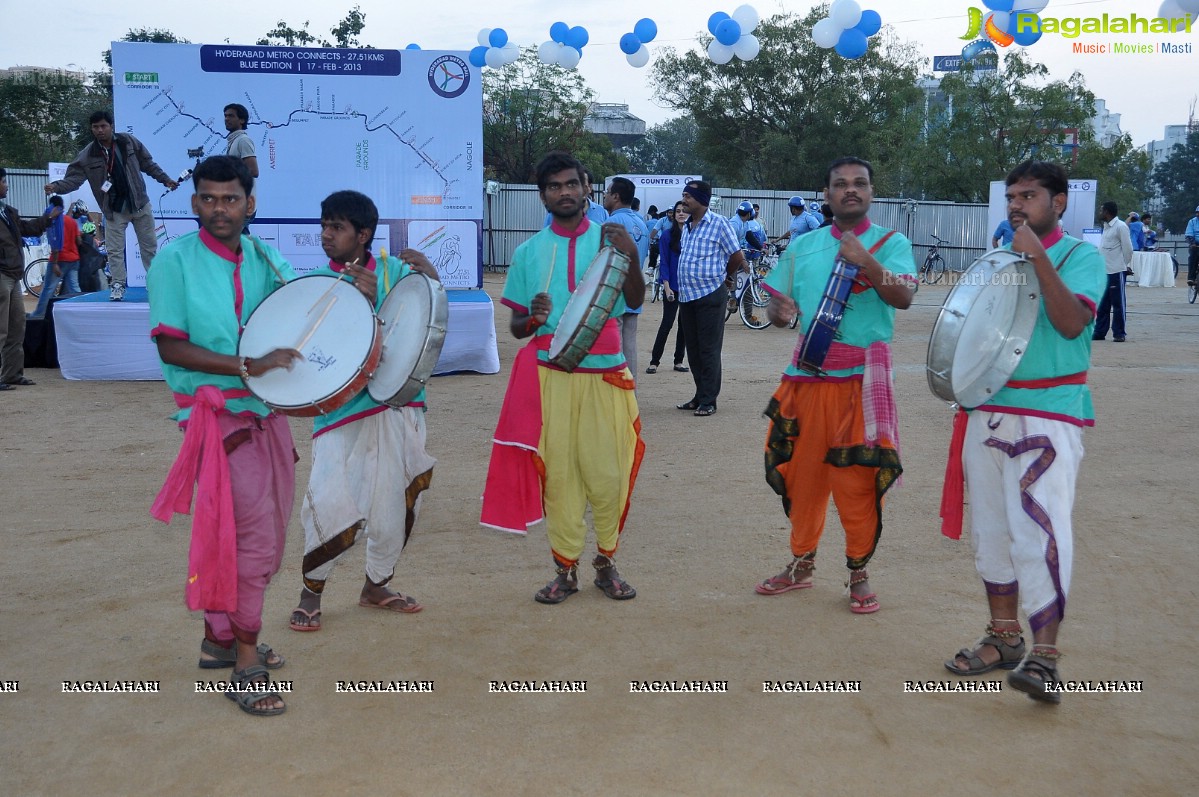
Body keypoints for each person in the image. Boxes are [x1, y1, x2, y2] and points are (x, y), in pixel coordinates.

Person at [940, 160, 1105, 704]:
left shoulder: (1083, 257)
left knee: (1041, 531)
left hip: (1050, 414)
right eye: (1012, 196)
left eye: (1029, 196)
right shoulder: (1001, 260)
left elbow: (1071, 323)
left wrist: (1036, 254)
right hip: (987, 411)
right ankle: (1004, 638)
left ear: (1058, 203)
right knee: (990, 531)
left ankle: (1046, 656)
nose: (1016, 205)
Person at [147, 155, 300, 716]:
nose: (219, 209)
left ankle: (217, 638)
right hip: (216, 422)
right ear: (194, 204)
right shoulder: (174, 262)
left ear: (250, 204)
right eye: (208, 199)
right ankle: (244, 660)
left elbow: (304, 301)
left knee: (253, 532)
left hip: (268, 416)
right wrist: (245, 366)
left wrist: (359, 282)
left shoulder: (264, 256)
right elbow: (170, 347)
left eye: (230, 198)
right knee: (252, 541)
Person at [481, 150, 645, 604]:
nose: (564, 192)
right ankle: (565, 569)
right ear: (542, 196)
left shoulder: (610, 239)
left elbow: (634, 299)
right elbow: (516, 328)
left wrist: (629, 255)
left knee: (610, 476)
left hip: (607, 374)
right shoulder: (528, 252)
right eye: (554, 187)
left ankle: (607, 562)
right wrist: (531, 321)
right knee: (560, 479)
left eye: (572, 183)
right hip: (550, 379)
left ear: (586, 187)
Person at [754, 156, 916, 615]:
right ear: (826, 195)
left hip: (860, 384)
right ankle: (801, 564)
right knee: (803, 480)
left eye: (859, 183)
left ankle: (858, 573)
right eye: (840, 184)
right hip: (806, 381)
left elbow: (903, 296)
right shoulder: (802, 246)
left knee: (856, 482)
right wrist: (777, 314)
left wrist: (864, 259)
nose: (850, 190)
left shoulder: (891, 242)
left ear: (870, 192)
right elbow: (779, 306)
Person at [288, 190, 438, 633]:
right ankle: (310, 591)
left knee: (395, 499)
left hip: (398, 406)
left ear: (363, 234)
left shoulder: (397, 274)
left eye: (336, 228)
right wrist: (358, 306)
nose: (326, 236)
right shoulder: (315, 283)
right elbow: (313, 351)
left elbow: (420, 333)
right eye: (324, 226)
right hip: (340, 411)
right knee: (330, 497)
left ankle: (377, 585)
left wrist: (431, 279)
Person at [45, 110, 178, 301]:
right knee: (115, 250)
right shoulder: (87, 155)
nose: (99, 130)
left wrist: (165, 180)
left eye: (103, 126)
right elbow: (73, 180)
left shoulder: (128, 142)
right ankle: (117, 285)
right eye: (95, 127)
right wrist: (55, 186)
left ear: (111, 126)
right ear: (91, 129)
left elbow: (148, 164)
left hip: (140, 203)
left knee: (149, 247)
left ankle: (154, 283)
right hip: (114, 209)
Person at [676, 180, 745, 417]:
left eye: (688, 197)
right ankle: (699, 395)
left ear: (702, 201)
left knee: (709, 349)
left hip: (710, 295)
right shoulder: (687, 226)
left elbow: (737, 255)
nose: (684, 201)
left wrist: (724, 276)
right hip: (687, 296)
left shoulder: (720, 224)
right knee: (693, 349)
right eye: (684, 196)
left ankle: (709, 400)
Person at [0, 169, 60, 391]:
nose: (7, 185)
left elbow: (28, 228)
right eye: (3, 182)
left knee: (17, 326)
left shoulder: (8, 212)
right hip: (3, 274)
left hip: (13, 275)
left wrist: (48, 219)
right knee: (1, 328)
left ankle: (12, 374)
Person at [604, 177, 650, 377]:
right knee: (630, 345)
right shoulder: (641, 223)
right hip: (634, 292)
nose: (604, 195)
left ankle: (618, 397)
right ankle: (631, 394)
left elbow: (604, 259)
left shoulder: (612, 222)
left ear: (615, 196)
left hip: (614, 294)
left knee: (614, 347)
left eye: (607, 192)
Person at [645, 201, 689, 375]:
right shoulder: (667, 236)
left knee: (684, 326)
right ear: (673, 214)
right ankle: (654, 361)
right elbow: (664, 262)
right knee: (666, 324)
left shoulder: (694, 235)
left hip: (688, 287)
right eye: (678, 211)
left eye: (684, 211)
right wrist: (666, 285)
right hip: (671, 286)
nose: (681, 214)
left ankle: (679, 361)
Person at [33, 196, 82, 318]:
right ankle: (81, 312)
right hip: (74, 259)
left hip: (58, 260)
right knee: (75, 290)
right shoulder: (72, 222)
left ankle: (39, 315)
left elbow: (55, 243)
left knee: (48, 289)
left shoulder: (53, 221)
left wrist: (54, 263)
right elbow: (79, 241)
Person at [1094, 201, 1132, 343]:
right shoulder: (1106, 227)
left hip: (1116, 271)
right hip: (1103, 272)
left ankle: (1119, 333)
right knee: (1102, 304)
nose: (1100, 213)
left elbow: (1128, 249)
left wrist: (1124, 265)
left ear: (1107, 212)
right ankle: (1099, 332)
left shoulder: (1121, 227)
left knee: (1118, 304)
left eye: (1101, 210)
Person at [224, 103, 259, 232]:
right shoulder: (234, 140)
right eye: (225, 116)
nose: (227, 119)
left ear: (242, 120)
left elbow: (253, 171)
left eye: (231, 116)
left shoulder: (243, 141)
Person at [541, 167, 608, 228]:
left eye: (582, 185)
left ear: (589, 188)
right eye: (572, 185)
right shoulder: (554, 214)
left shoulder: (601, 212)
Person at [1185, 205, 1199, 286]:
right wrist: (1192, 243)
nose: (1198, 214)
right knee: (1193, 258)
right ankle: (1191, 278)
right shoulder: (1192, 222)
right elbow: (1189, 234)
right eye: (1197, 213)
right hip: (1195, 244)